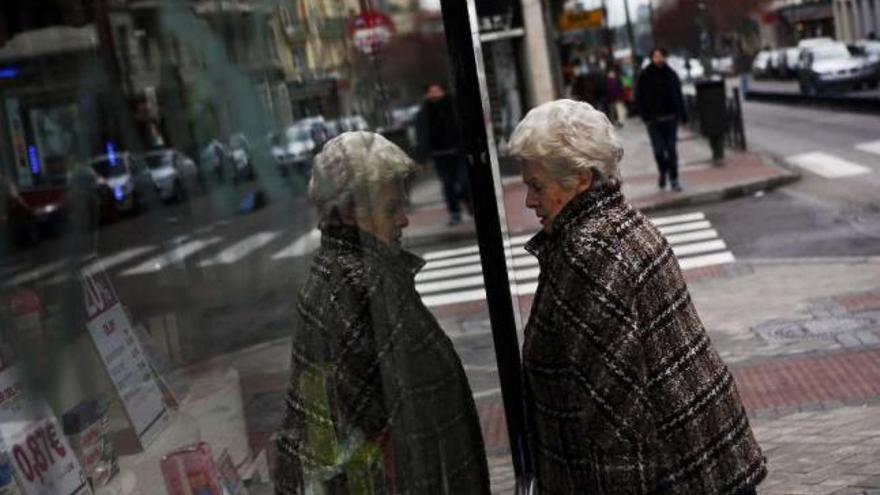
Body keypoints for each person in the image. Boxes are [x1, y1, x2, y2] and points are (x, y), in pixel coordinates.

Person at [508, 99, 766, 494]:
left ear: (581, 179)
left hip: (675, 473)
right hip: (697, 457)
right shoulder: (618, 221)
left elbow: (616, 410)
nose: (529, 201)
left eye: (536, 186)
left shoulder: (590, 249)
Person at [274, 131, 490, 495]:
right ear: (350, 211)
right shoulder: (358, 282)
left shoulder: (349, 271)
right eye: (392, 208)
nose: (404, 220)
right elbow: (373, 417)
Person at [415, 83, 471, 225]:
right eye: (431, 91)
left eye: (437, 91)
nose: (435, 94)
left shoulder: (453, 107)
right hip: (440, 155)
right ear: (426, 94)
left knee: (463, 182)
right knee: (448, 184)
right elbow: (421, 136)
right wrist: (422, 158)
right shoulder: (423, 113)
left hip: (458, 153)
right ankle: (455, 212)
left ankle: (469, 204)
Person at [636, 47, 687, 192]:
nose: (658, 58)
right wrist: (645, 116)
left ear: (665, 57)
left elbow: (678, 95)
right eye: (655, 56)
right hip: (654, 121)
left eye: (661, 56)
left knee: (671, 149)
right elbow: (639, 98)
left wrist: (682, 115)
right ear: (651, 58)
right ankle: (663, 172)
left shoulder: (671, 74)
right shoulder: (645, 76)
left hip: (670, 119)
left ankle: (674, 179)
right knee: (658, 150)